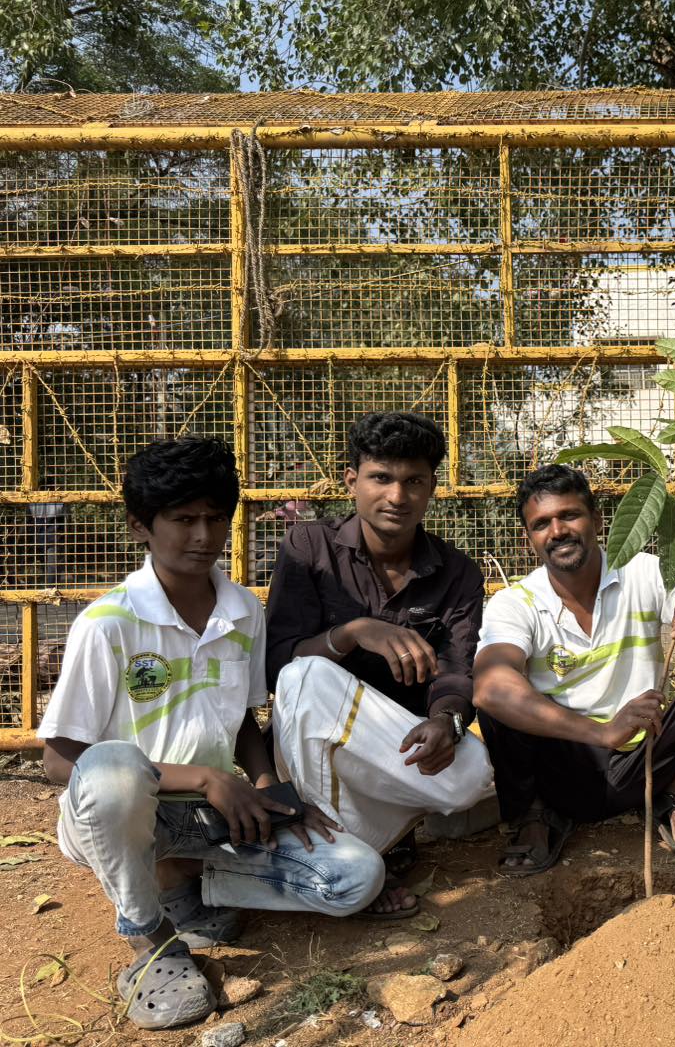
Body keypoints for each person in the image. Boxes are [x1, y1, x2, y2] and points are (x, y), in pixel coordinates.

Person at [38, 437, 385, 1031]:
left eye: (215, 518)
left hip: (213, 814)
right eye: (182, 519)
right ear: (140, 526)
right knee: (117, 771)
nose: (203, 536)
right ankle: (149, 944)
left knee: (356, 877)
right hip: (122, 818)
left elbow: (248, 721)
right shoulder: (107, 624)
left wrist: (273, 793)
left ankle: (191, 884)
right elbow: (61, 761)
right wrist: (205, 777)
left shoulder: (243, 611)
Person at [472, 464, 675, 875]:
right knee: (498, 693)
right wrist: (600, 731)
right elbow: (489, 690)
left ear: (597, 520)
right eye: (542, 524)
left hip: (646, 759)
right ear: (528, 540)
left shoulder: (648, 571)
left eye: (569, 515)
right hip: (563, 767)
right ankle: (534, 815)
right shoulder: (514, 602)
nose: (557, 531)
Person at [266, 412, 494, 919]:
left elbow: (458, 667)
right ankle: (347, 855)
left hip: (390, 741)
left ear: (432, 486)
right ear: (352, 482)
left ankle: (364, 846)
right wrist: (353, 633)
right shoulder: (309, 547)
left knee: (473, 773)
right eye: (381, 478)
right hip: (309, 742)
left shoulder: (456, 572)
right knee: (306, 674)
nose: (397, 496)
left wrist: (446, 721)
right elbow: (275, 666)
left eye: (414, 481)